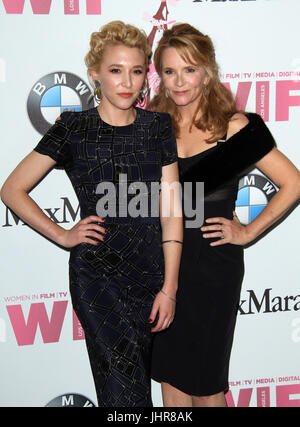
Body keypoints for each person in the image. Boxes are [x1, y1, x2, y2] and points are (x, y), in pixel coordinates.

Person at [0, 21, 183, 407]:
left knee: (125, 391)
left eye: (136, 71)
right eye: (115, 70)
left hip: (151, 275)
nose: (127, 82)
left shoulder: (157, 126)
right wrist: (64, 235)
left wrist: (169, 287)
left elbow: (172, 211)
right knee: (126, 391)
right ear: (95, 74)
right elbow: (12, 190)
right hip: (98, 277)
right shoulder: (74, 128)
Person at [149, 23, 300, 407]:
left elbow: (293, 183)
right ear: (160, 77)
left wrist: (248, 232)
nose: (180, 81)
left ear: (207, 71)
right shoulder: (153, 128)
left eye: (189, 69)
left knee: (206, 384)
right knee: (170, 378)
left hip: (212, 269)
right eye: (169, 71)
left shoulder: (233, 127)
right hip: (164, 267)